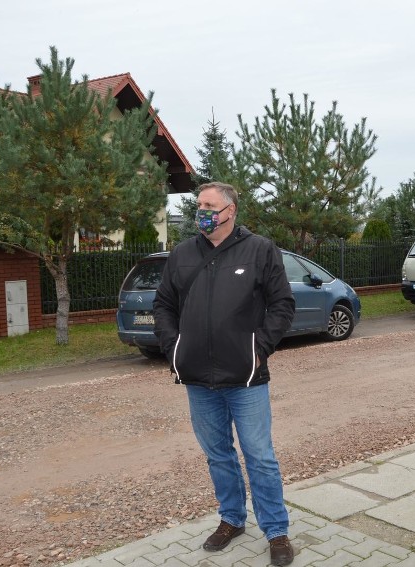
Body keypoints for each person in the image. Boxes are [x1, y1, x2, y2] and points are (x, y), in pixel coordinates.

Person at [153, 181, 296, 566]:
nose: (201, 210)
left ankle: (277, 530)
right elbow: (163, 305)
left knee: (260, 456)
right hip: (198, 379)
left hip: (245, 378)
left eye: (208, 204)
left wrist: (259, 349)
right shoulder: (182, 253)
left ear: (230, 210)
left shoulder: (260, 249)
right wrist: (174, 348)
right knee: (218, 455)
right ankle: (232, 520)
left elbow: (282, 304)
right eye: (198, 203)